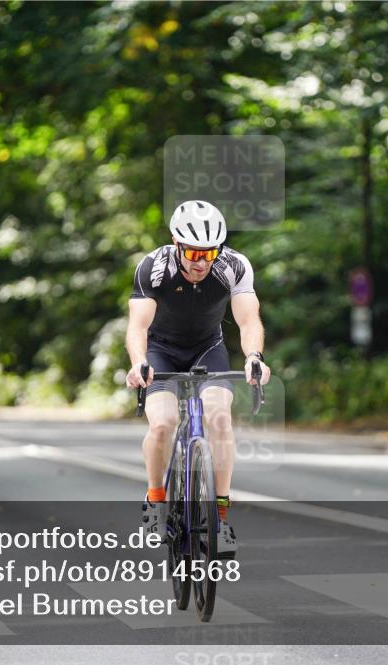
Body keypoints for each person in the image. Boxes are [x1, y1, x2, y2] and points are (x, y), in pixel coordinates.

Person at [125, 200, 271, 557]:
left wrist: (254, 358)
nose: (200, 261)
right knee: (163, 423)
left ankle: (219, 519)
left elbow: (249, 320)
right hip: (161, 351)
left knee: (219, 416)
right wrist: (139, 362)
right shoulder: (153, 267)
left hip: (208, 348)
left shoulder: (233, 266)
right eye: (192, 252)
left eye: (208, 252)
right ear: (176, 244)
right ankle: (156, 500)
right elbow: (137, 326)